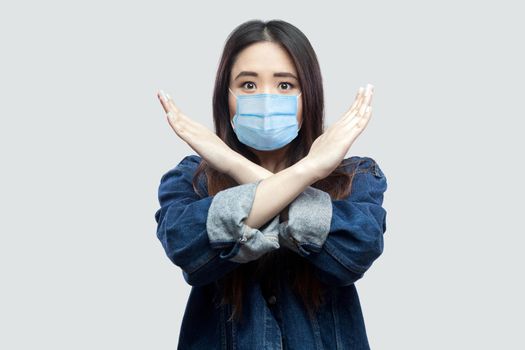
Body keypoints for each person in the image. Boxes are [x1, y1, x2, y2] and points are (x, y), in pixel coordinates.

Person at [154, 19, 387, 350]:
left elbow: (354, 253)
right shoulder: (191, 179)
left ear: (310, 94)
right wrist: (307, 171)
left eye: (285, 85)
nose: (265, 99)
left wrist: (238, 166)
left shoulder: (357, 177)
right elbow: (187, 250)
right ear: (226, 97)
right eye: (248, 85)